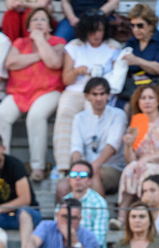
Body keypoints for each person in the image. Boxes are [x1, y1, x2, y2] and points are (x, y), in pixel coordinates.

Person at [0, 8, 64, 186]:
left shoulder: (59, 42)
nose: (39, 22)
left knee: (36, 115)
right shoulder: (20, 42)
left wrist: (40, 40)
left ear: (50, 26)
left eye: (43, 19)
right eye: (34, 20)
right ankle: (3, 166)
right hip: (20, 92)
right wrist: (39, 55)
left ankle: (37, 168)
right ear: (28, 26)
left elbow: (54, 62)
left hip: (49, 90)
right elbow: (11, 63)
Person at [51, 15, 121, 182]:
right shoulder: (74, 46)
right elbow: (66, 79)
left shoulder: (113, 47)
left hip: (99, 91)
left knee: (93, 118)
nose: (97, 34)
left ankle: (88, 166)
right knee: (65, 114)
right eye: (93, 30)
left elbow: (116, 77)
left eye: (100, 30)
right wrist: (76, 71)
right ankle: (64, 167)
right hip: (75, 90)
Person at [117, 83, 159, 226]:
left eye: (151, 98)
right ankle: (121, 218)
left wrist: (145, 159)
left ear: (158, 101)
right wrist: (128, 145)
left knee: (146, 170)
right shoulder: (135, 125)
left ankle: (145, 216)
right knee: (130, 169)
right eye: (143, 98)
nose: (146, 101)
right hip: (143, 166)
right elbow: (131, 160)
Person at [55, 76, 122, 200]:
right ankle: (63, 218)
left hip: (112, 168)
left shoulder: (118, 115)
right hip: (86, 168)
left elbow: (112, 146)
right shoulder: (79, 118)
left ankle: (101, 218)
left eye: (102, 94)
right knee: (63, 186)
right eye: (94, 94)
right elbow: (76, 148)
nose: (99, 98)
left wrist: (89, 170)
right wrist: (78, 170)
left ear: (108, 96)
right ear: (87, 96)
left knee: (94, 174)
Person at [120, 4, 159, 102]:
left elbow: (158, 69)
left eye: (140, 25)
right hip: (133, 87)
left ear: (151, 25)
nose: (135, 30)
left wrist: (138, 61)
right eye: (132, 25)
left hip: (156, 86)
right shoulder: (131, 42)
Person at [23, 198, 103, 248]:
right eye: (64, 216)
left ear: (80, 219)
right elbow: (34, 239)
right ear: (57, 216)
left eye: (73, 218)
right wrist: (31, 247)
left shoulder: (89, 236)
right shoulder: (46, 226)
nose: (68, 221)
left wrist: (74, 241)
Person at [60, 159, 108, 244]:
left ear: (90, 181)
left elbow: (98, 240)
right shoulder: (62, 203)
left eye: (83, 175)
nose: (78, 178)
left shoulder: (99, 203)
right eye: (73, 174)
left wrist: (76, 243)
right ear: (69, 180)